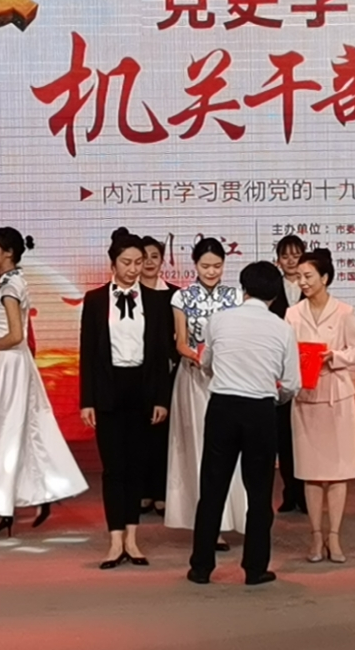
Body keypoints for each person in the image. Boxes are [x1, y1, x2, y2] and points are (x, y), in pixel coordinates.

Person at [0, 230, 88, 539]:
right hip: (7, 364)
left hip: (8, 364)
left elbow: (16, 335)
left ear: (8, 252)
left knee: (3, 436)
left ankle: (2, 512)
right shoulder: (13, 282)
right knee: (17, 433)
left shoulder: (10, 287)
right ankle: (34, 496)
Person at [186, 262, 303, 587]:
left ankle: (201, 567)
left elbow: (206, 362)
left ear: (243, 288)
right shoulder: (282, 328)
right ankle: (255, 568)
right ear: (275, 294)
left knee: (212, 489)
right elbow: (292, 383)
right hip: (260, 410)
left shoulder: (219, 319)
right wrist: (274, 398)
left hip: (222, 407)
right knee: (260, 492)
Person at [79, 228, 174, 569]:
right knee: (113, 468)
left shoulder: (155, 301)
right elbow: (88, 353)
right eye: (126, 262)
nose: (134, 268)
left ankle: (132, 540)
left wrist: (161, 399)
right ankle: (114, 540)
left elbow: (161, 355)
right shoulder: (94, 300)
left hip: (143, 390)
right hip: (108, 390)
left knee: (136, 466)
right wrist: (87, 400)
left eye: (138, 262)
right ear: (113, 263)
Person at [286, 249, 355, 563]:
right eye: (299, 277)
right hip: (306, 398)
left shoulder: (344, 311)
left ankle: (335, 536)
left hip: (337, 397)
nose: (302, 282)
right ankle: (316, 537)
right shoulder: (293, 314)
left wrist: (335, 356)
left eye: (308, 276)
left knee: (337, 471)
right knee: (311, 472)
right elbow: (285, 352)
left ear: (325, 278)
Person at [167, 238, 245, 552]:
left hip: (228, 379)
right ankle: (206, 525)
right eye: (205, 266)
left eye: (217, 266)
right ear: (195, 265)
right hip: (195, 379)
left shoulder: (236, 296)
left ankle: (228, 520)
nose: (211, 271)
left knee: (228, 448)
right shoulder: (182, 297)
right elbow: (180, 342)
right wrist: (200, 358)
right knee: (198, 447)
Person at [270, 234, 309, 514]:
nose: (291, 261)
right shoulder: (272, 290)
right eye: (285, 256)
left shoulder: (313, 287)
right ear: (278, 261)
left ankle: (307, 493)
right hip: (280, 369)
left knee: (306, 435)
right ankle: (289, 491)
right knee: (283, 435)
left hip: (309, 367)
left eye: (296, 255)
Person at [138, 235, 175, 517]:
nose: (150, 262)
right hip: (135, 373)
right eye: (145, 257)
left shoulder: (174, 295)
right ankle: (142, 491)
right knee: (139, 434)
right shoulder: (128, 295)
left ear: (163, 261)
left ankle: (161, 491)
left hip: (167, 373)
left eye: (155, 257)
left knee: (163, 434)